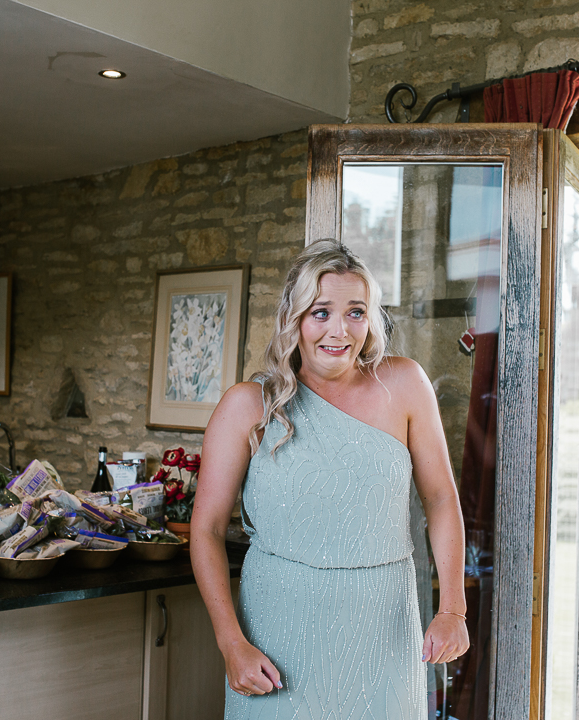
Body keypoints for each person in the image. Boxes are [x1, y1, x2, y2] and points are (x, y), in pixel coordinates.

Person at [190, 239, 470, 719]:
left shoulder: (404, 384)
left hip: (383, 626)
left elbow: (442, 498)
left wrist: (453, 610)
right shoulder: (245, 405)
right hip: (278, 635)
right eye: (321, 312)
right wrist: (230, 642)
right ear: (293, 318)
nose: (340, 331)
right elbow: (208, 529)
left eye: (356, 312)